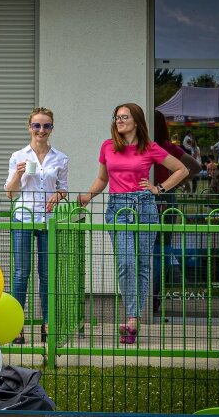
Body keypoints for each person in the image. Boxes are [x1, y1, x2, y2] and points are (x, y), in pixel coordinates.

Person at [78, 103, 187, 344]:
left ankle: (132, 319)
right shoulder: (108, 146)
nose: (119, 121)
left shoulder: (150, 147)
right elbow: (102, 178)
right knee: (126, 263)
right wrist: (88, 195)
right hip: (118, 208)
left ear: (136, 121)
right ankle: (131, 314)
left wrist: (159, 188)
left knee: (142, 265)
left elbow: (181, 170)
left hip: (145, 207)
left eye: (124, 117)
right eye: (116, 117)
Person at [5, 106, 69, 344]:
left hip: (48, 221)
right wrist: (18, 175)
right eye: (37, 125)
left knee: (47, 274)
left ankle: (47, 324)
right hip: (23, 217)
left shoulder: (60, 158)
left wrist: (58, 196)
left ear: (51, 128)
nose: (41, 130)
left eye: (46, 126)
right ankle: (16, 325)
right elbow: (10, 194)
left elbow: (63, 188)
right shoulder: (18, 156)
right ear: (29, 127)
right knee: (21, 273)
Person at [151, 110, 201, 313]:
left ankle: (151, 295)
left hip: (150, 198)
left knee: (151, 250)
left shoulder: (147, 147)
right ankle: (156, 295)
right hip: (167, 199)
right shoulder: (168, 147)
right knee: (163, 248)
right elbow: (195, 167)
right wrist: (177, 182)